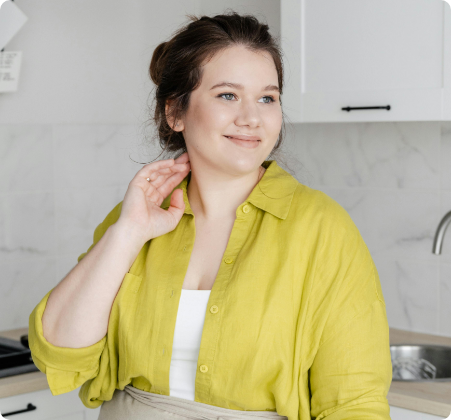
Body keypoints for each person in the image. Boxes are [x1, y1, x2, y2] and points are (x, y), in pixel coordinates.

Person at [28, 10, 392, 420]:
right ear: (175, 113)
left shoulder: (322, 228)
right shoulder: (136, 218)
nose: (252, 118)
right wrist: (126, 233)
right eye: (227, 95)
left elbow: (355, 402)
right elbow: (58, 351)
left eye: (267, 98)